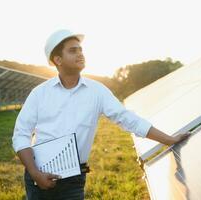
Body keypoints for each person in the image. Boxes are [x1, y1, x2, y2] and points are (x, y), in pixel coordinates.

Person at [12, 29, 191, 200]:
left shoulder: (97, 91)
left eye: (81, 49)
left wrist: (168, 140)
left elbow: (128, 119)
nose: (80, 54)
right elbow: (21, 134)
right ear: (58, 59)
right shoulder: (39, 93)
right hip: (38, 176)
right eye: (73, 51)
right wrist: (35, 173)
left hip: (73, 180)